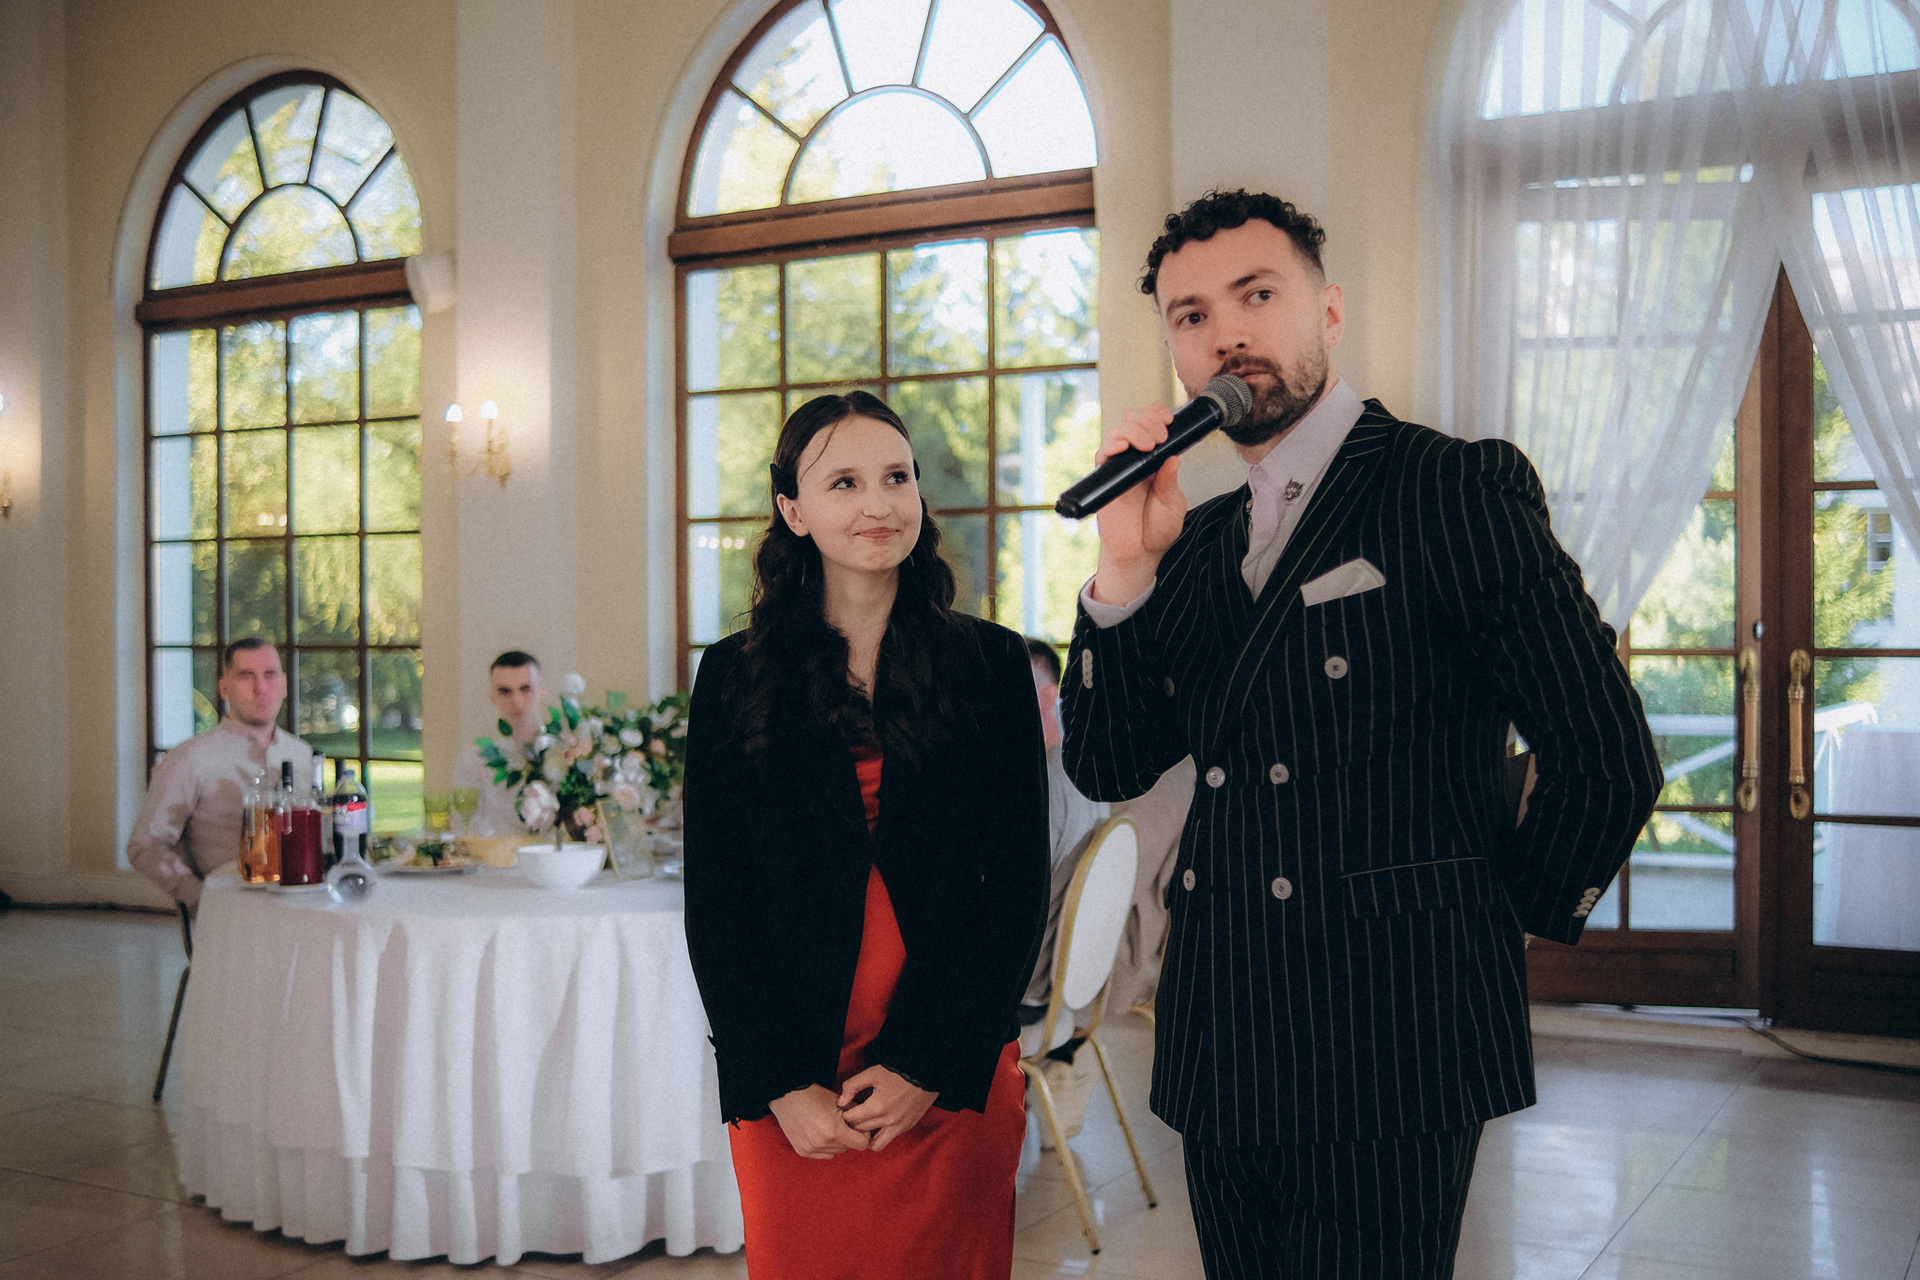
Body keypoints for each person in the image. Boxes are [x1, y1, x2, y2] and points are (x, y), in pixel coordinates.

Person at [1060, 190, 1663, 1280]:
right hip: (1221, 1037)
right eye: (1192, 315)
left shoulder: (1451, 487)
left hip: (1393, 1034)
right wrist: (1124, 566)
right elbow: (1106, 760)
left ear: (1329, 312)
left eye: (1257, 295)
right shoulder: (1192, 542)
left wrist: (1487, 926)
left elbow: (1606, 754)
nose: (1226, 333)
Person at [684, 391, 1050, 1280]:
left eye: (896, 477)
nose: (878, 504)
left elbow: (1016, 890)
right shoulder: (732, 677)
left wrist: (927, 1063)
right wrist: (778, 1082)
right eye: (843, 482)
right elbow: (718, 904)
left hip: (948, 1062)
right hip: (796, 1075)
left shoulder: (993, 665)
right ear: (792, 510)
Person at [127, 638, 319, 911]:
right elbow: (145, 847)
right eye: (246, 676)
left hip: (304, 906)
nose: (261, 688)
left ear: (285, 684)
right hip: (231, 912)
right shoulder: (190, 758)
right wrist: (202, 898)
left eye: (270, 674)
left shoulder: (302, 754)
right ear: (224, 688)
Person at [451, 650, 543, 834]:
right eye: (505, 692)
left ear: (541, 691)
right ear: (493, 697)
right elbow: (464, 828)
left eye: (525, 689)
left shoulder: (566, 754)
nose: (516, 701)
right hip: (494, 851)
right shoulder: (473, 760)